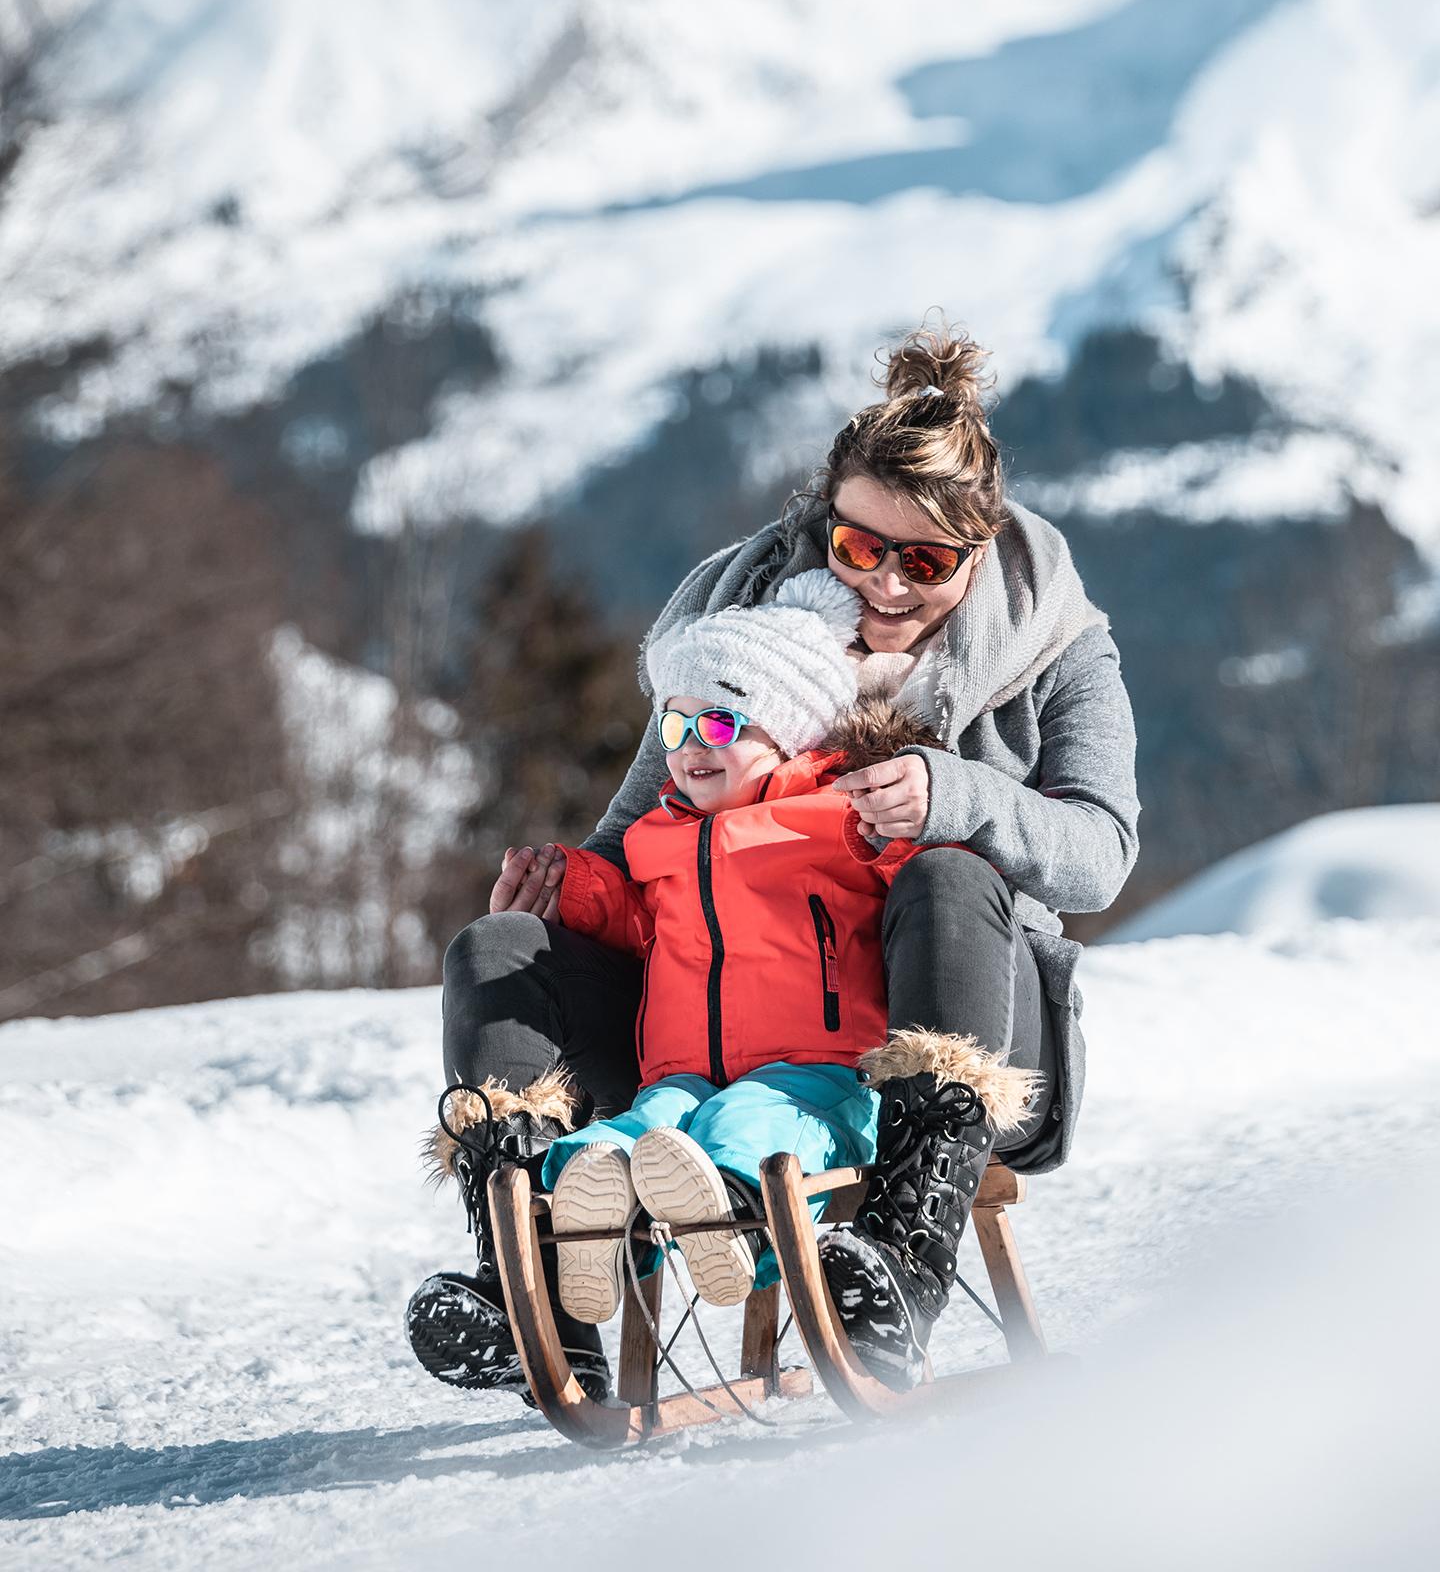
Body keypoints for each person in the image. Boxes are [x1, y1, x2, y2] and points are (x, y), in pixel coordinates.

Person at [408, 320, 1140, 1398]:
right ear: (823, 522)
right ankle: (532, 1292)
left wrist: (957, 794)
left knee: (949, 870)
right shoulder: (738, 628)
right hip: (717, 1018)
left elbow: (1103, 856)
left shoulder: (1058, 641)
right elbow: (643, 832)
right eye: (860, 548)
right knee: (503, 947)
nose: (888, 586)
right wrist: (570, 887)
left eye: (927, 563)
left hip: (947, 1013)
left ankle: (899, 1255)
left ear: (979, 556)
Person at [530, 570, 1036, 1341]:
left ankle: (738, 1226)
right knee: (645, 1125)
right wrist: (577, 894)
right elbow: (640, 931)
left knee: (753, 1119)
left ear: (791, 729)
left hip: (818, 1075)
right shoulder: (656, 840)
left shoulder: (842, 818)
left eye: (722, 725)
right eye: (674, 727)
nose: (690, 747)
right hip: (686, 1076)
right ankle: (591, 1221)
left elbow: (929, 897)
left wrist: (922, 824)